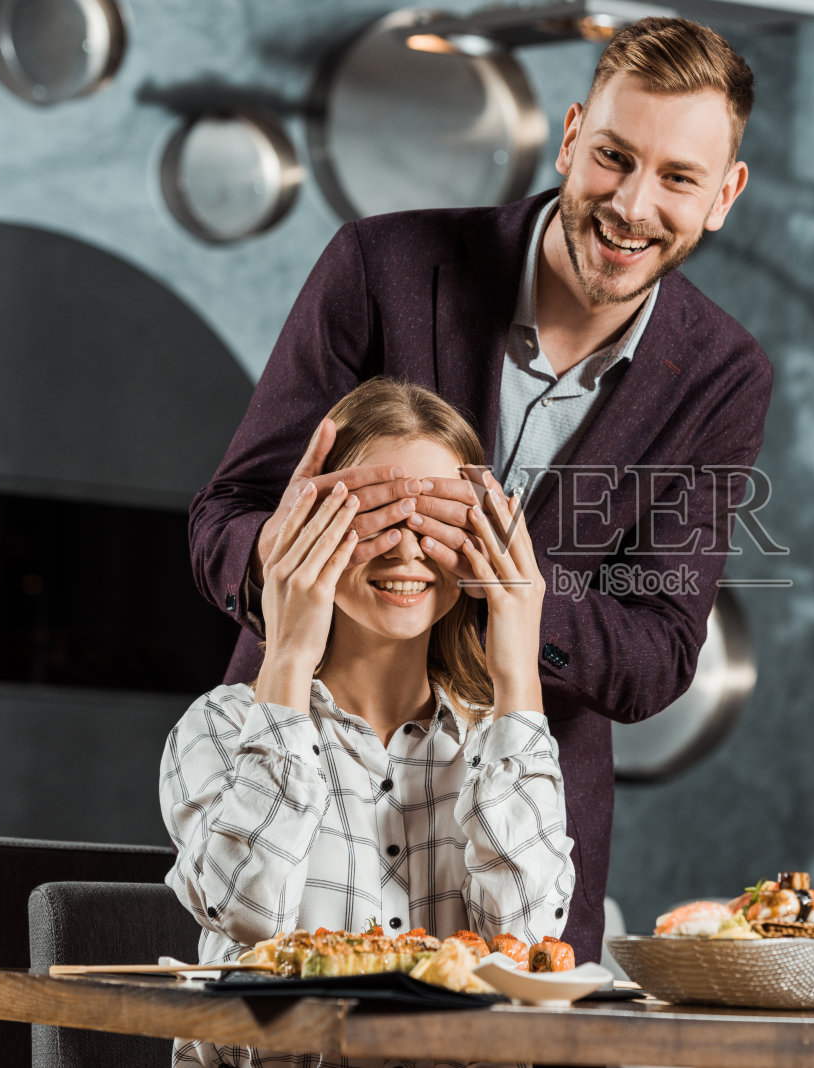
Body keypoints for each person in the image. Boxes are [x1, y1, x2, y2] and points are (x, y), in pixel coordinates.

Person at [189, 17, 773, 964]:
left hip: (519, 851)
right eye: (615, 157)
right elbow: (226, 520)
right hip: (303, 814)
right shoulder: (381, 266)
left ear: (724, 195)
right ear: (573, 133)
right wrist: (300, 561)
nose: (632, 205)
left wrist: (515, 600)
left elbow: (658, 651)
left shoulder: (723, 375)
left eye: (677, 178)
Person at [164, 378, 573, 1067]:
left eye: (437, 522)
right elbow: (249, 912)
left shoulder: (498, 741)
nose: (406, 550)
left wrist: (517, 674)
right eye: (375, 517)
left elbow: (528, 943)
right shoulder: (219, 730)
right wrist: (289, 647)